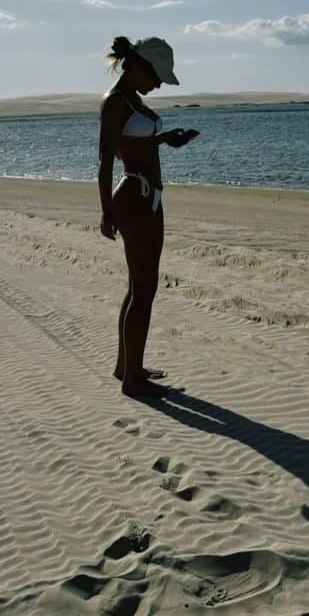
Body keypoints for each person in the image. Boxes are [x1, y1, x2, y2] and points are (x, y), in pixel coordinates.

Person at [98, 36, 199, 398]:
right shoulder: (114, 102)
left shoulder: (131, 101)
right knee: (144, 289)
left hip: (146, 199)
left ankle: (128, 367)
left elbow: (133, 143)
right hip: (135, 200)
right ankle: (132, 381)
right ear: (138, 66)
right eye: (156, 76)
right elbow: (106, 159)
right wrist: (106, 211)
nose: (158, 84)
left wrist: (165, 139)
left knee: (139, 287)